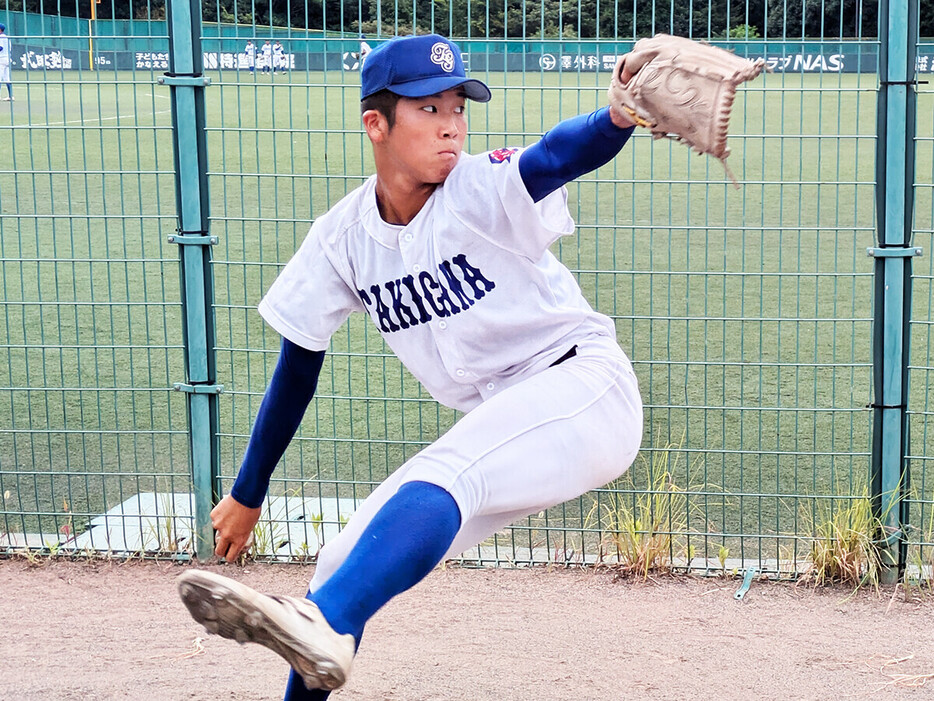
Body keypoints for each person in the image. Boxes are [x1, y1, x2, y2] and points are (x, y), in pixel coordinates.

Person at [177, 33, 643, 700]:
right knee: (340, 566)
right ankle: (319, 637)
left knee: (445, 472)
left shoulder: (479, 188)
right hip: (509, 417)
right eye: (429, 108)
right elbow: (297, 367)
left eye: (458, 105)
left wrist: (616, 118)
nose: (452, 123)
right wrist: (249, 491)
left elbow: (554, 157)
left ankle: (322, 622)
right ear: (377, 123)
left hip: (584, 390)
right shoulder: (342, 238)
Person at [0, 24, 13, 101]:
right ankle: (11, 96)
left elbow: (0, 47)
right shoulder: (7, 37)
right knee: (6, 78)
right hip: (7, 58)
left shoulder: (1, 37)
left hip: (1, 59)